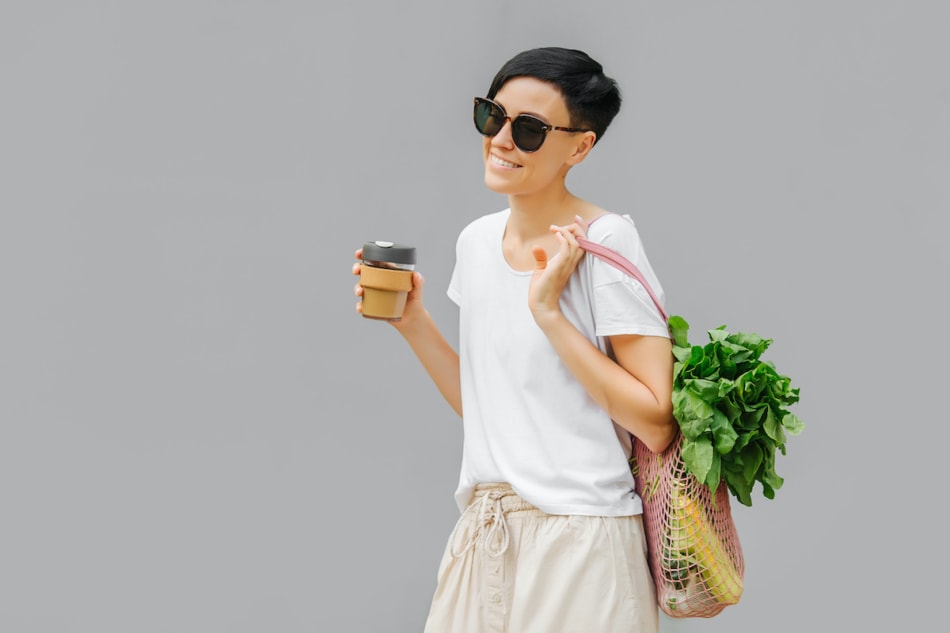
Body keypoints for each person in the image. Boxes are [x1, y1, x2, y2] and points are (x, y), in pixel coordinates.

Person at [352, 46, 676, 633]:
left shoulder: (606, 242)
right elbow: (489, 411)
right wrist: (414, 323)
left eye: (529, 129)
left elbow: (655, 421)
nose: (501, 139)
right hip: (486, 535)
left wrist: (548, 313)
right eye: (491, 116)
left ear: (580, 147)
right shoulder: (476, 243)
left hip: (583, 540)